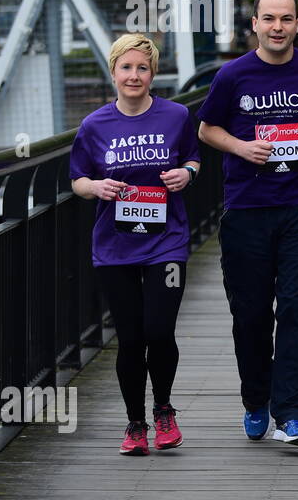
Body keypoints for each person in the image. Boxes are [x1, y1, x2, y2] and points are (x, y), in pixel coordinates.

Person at [198, 0, 298, 448]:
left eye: (287, 19)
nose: (278, 27)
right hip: (247, 209)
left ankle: (295, 414)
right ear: (254, 24)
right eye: (269, 19)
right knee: (252, 315)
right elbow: (206, 128)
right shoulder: (232, 76)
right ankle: (256, 399)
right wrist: (240, 147)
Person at [69, 34, 200, 455]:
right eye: (126, 67)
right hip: (115, 247)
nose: (134, 75)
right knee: (129, 339)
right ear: (113, 72)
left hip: (167, 242)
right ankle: (136, 423)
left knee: (159, 331)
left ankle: (163, 409)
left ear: (153, 72)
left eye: (142, 67)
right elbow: (77, 179)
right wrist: (96, 186)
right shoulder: (94, 126)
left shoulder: (177, 115)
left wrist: (188, 174)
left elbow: (193, 157)